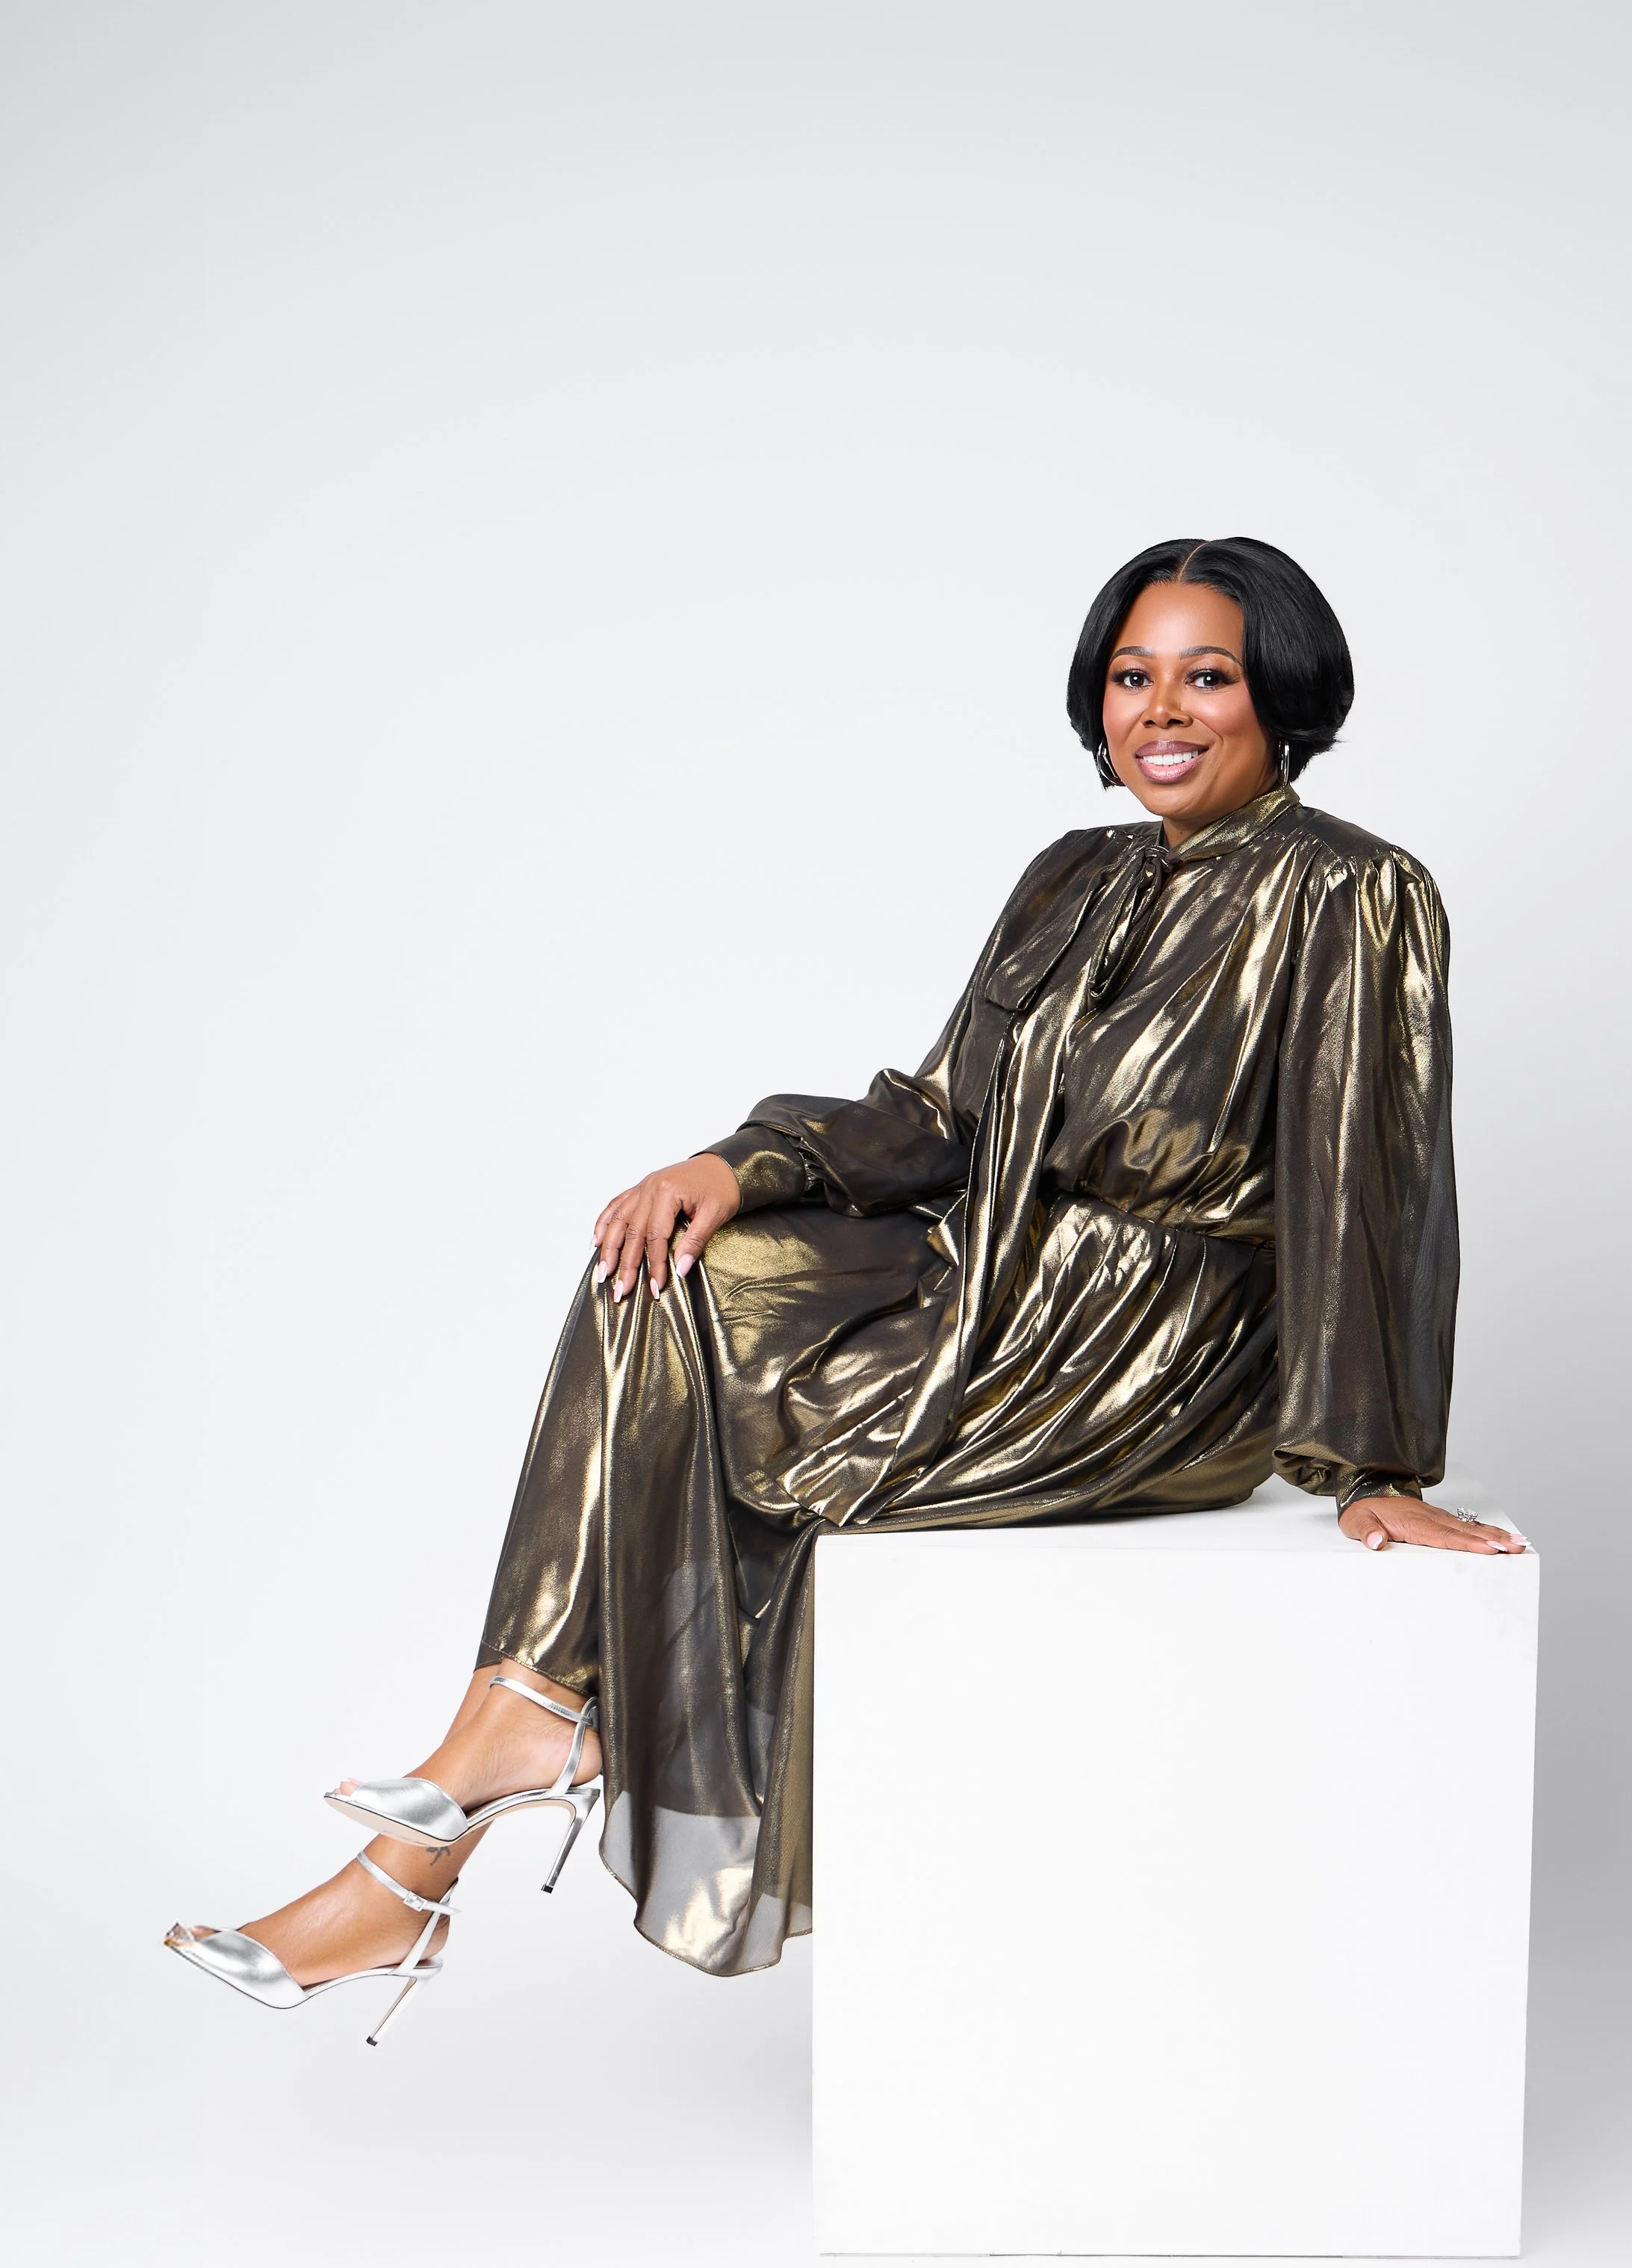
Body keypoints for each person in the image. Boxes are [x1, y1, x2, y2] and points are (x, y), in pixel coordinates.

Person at [166, 535, 1526, 2036]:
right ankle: (508, 1737)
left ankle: (443, 1833)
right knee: (662, 1270)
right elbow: (942, 1113)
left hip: (1154, 1348)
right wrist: (739, 1164)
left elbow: (1368, 1166)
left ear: (1279, 692)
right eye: (1131, 675)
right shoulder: (1071, 873)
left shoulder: (1351, 887)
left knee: (735, 1386)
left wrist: (1372, 1463)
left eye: (1206, 676)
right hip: (990, 1276)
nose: (1160, 710)